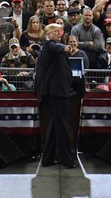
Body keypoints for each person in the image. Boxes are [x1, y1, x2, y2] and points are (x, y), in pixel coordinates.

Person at [34, 23, 77, 168]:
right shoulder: (49, 45)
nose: (60, 33)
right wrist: (66, 48)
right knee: (62, 127)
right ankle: (65, 159)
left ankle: (48, 159)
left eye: (60, 31)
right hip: (56, 93)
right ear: (48, 34)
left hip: (56, 92)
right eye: (56, 31)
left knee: (52, 126)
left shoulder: (52, 47)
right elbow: (58, 47)